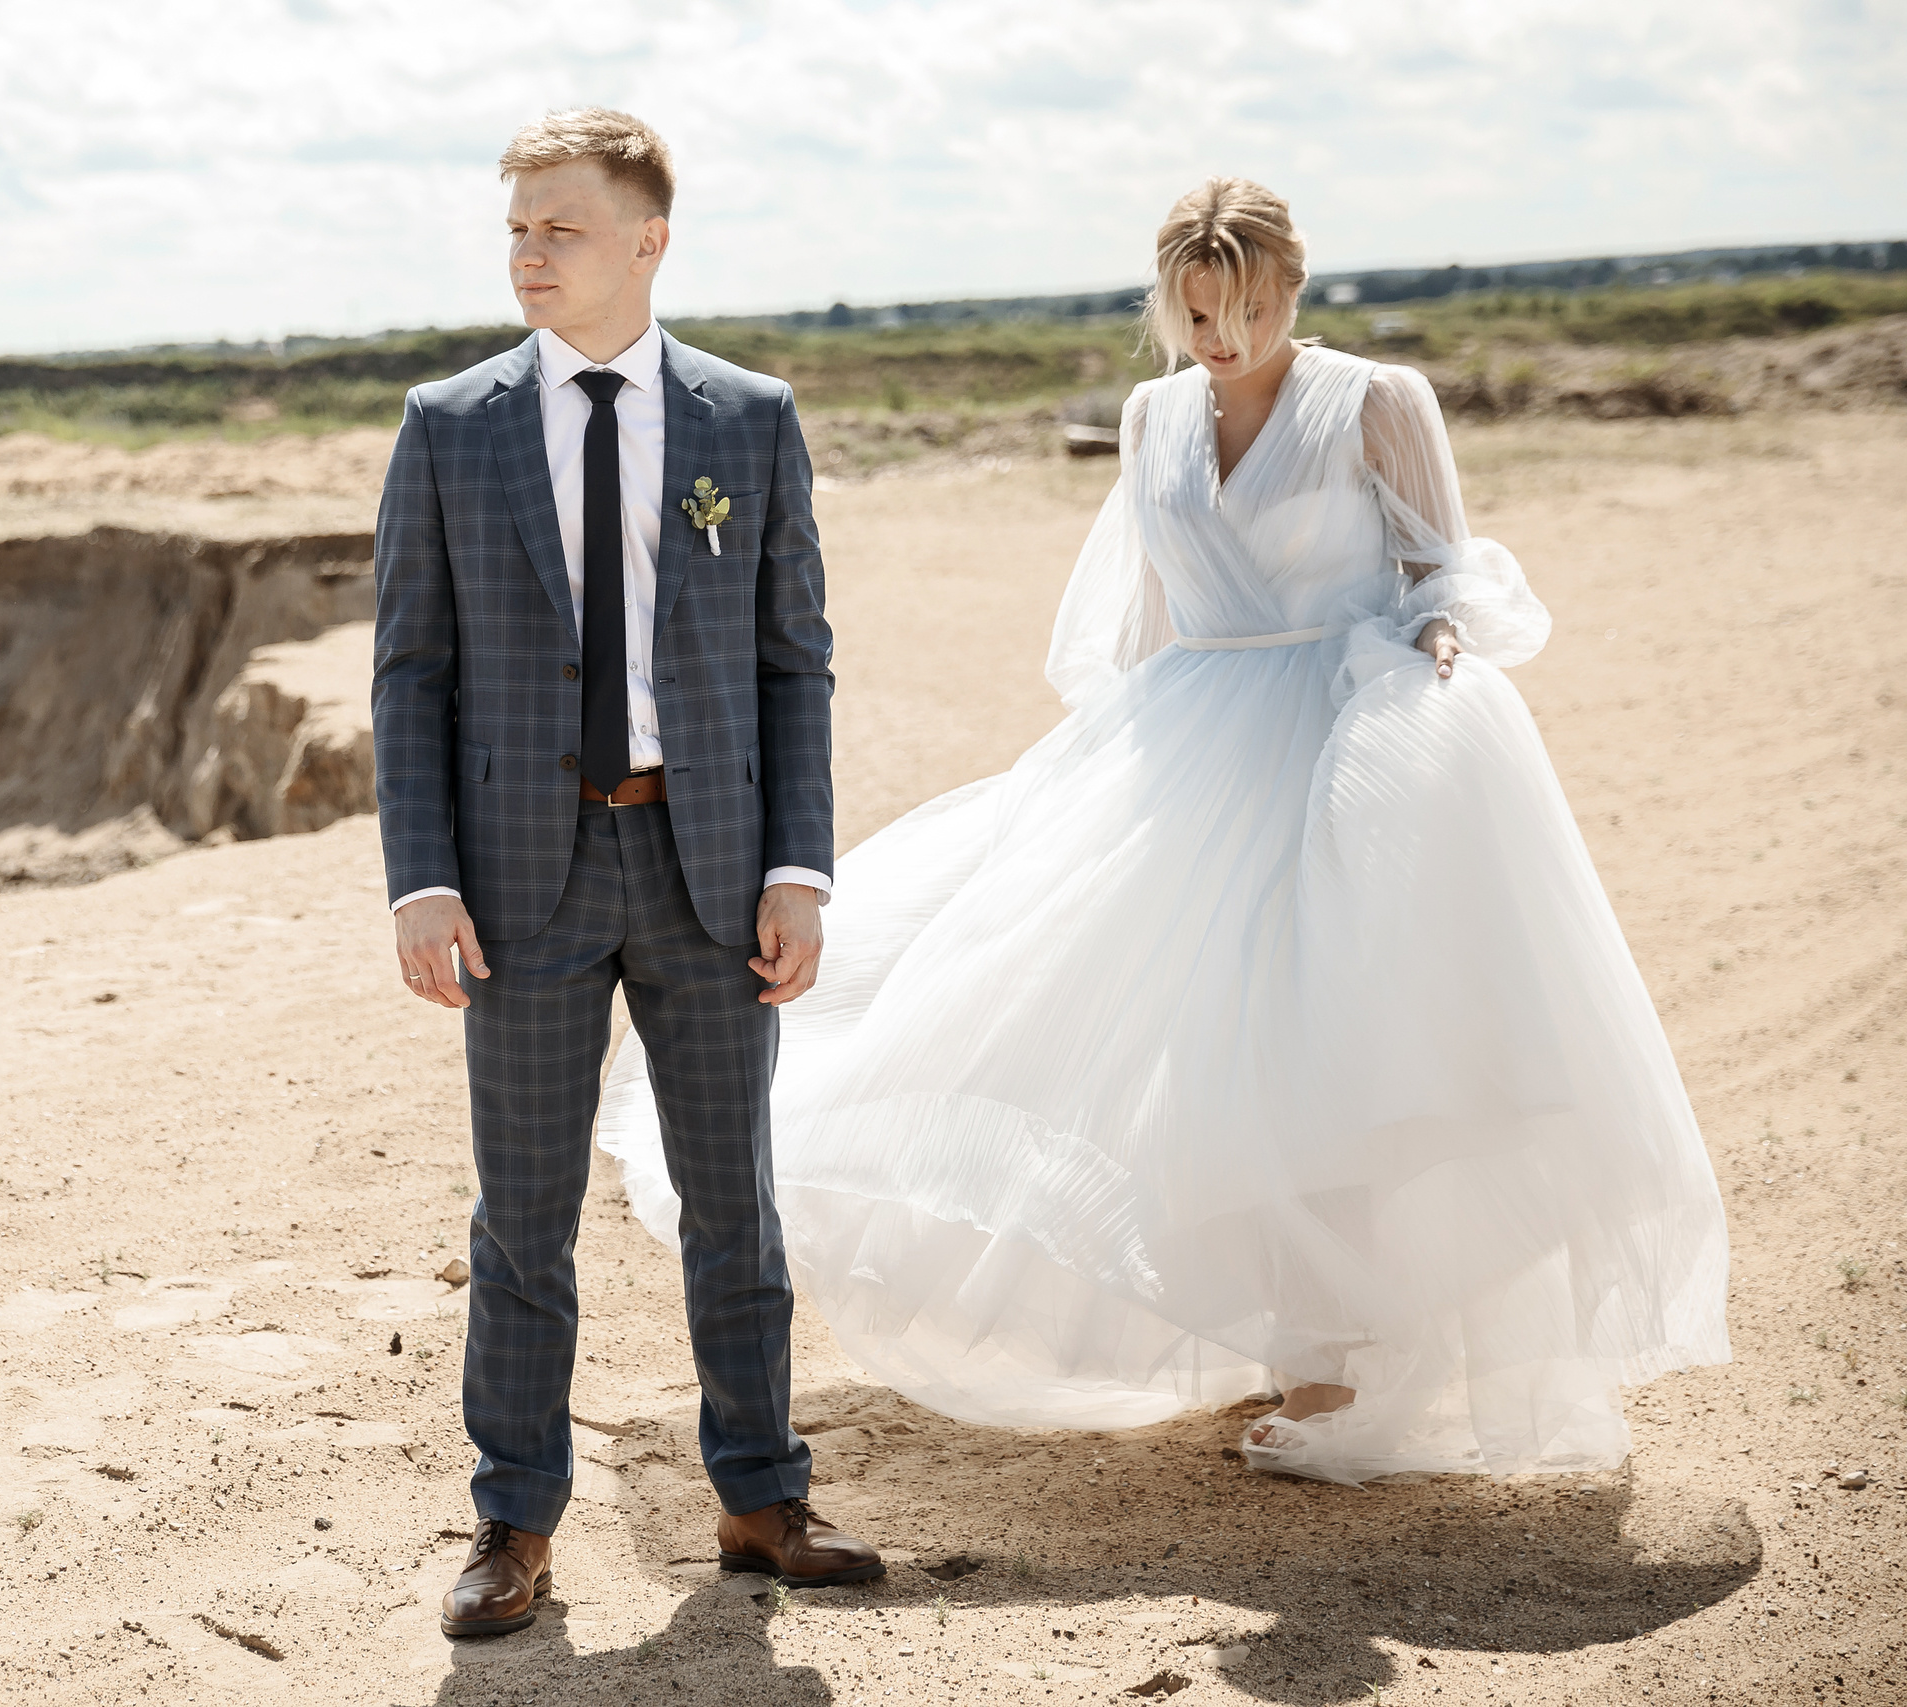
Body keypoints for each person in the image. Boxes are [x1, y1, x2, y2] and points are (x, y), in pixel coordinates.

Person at [599, 177, 1731, 1487]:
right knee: (1178, 1041)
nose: (1223, 340)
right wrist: (1104, 779)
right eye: (1196, 314)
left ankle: (1346, 1363)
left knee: (1343, 1046)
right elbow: (1139, 616)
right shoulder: (1151, 419)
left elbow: (1443, 572)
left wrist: (1434, 645)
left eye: (1249, 311)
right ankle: (1287, 1336)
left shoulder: (1375, 400)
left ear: (1292, 292)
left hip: (1349, 735)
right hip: (1194, 738)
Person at [372, 107, 885, 1640]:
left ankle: (761, 1494)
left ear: (648, 238)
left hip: (710, 864)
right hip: (517, 875)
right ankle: (514, 1523)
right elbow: (411, 672)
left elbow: (796, 661)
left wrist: (800, 864)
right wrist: (420, 877)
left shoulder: (748, 419)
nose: (529, 252)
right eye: (516, 227)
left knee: (737, 1197)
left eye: (561, 227)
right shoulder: (449, 423)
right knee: (523, 1217)